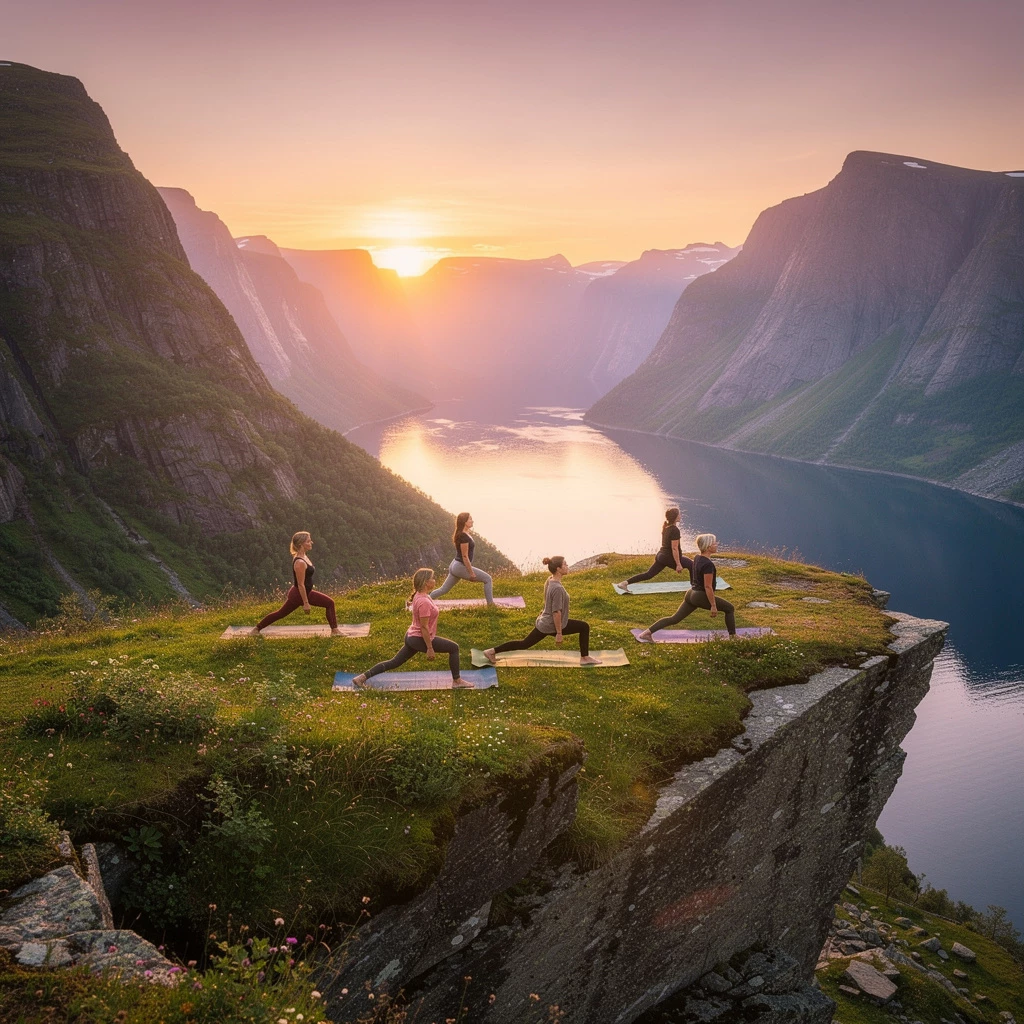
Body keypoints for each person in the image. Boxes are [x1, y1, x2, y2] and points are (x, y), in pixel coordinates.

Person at [353, 568, 472, 688]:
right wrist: (430, 648)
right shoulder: (424, 601)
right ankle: (457, 681)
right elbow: (424, 627)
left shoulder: (420, 595)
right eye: (432, 578)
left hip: (412, 636)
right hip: (419, 637)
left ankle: (361, 678)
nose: (434, 580)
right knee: (454, 648)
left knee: (394, 662)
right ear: (426, 582)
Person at [484, 556, 601, 666]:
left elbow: (547, 601)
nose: (567, 566)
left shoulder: (550, 580)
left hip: (545, 621)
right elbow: (556, 612)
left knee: (524, 644)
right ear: (558, 569)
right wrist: (559, 633)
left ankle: (492, 651)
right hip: (550, 624)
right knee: (584, 627)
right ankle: (585, 658)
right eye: (565, 564)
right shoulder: (557, 588)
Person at [637, 533, 736, 639]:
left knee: (674, 618)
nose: (717, 544)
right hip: (699, 596)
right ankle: (733, 637)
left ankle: (646, 633)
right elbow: (708, 587)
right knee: (729, 608)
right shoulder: (708, 565)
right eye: (714, 543)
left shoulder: (697, 558)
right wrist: (713, 605)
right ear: (708, 547)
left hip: (691, 594)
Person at [252, 531, 341, 635]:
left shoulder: (304, 556)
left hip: (306, 592)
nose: (311, 542)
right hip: (298, 595)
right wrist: (306, 603)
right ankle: (257, 629)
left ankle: (334, 631)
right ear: (301, 544)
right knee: (280, 614)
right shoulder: (300, 562)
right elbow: (300, 584)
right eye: (308, 541)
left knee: (330, 603)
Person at [617, 508, 691, 592]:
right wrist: (678, 564)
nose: (680, 516)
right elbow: (674, 548)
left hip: (661, 556)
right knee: (691, 565)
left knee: (649, 574)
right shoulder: (675, 530)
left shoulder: (666, 527)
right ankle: (695, 588)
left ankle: (624, 583)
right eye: (679, 514)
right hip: (668, 557)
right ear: (675, 517)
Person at [429, 512, 495, 605]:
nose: (472, 521)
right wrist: (471, 572)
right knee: (488, 579)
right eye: (470, 519)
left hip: (455, 565)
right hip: (460, 566)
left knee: (443, 589)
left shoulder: (464, 533)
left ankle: (421, 600)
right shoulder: (463, 536)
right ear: (465, 522)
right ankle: (491, 605)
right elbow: (465, 556)